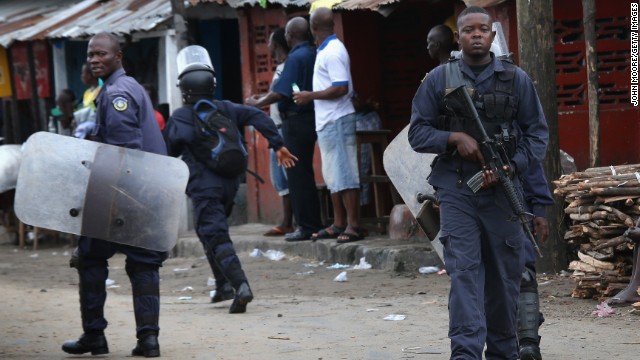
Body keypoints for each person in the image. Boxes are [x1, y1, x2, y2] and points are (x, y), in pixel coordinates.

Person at [408, 6, 549, 359]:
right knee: (465, 273)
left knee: (505, 278)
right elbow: (417, 132)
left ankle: (504, 352)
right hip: (457, 189)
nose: (476, 35)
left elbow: (537, 136)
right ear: (459, 36)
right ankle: (466, 353)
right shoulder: (438, 80)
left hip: (503, 191)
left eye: (482, 29)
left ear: (492, 35)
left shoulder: (516, 80)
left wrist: (510, 168)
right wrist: (454, 138)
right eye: (468, 29)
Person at [165, 46, 297, 313]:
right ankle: (222, 285)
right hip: (230, 184)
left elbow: (168, 151)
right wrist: (277, 144)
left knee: (215, 234)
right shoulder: (227, 108)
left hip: (204, 187)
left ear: (184, 89)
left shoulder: (181, 117)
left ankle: (240, 286)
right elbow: (259, 115)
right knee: (208, 232)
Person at [61, 32, 168, 358]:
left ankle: (95, 336)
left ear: (117, 56)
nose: (94, 59)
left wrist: (113, 202)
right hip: (147, 189)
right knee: (143, 264)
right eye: (90, 54)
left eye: (101, 54)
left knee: (90, 258)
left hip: (121, 191)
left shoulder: (116, 93)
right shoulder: (131, 86)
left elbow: (124, 150)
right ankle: (148, 341)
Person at [245, 17, 323, 242]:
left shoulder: (295, 58)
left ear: (289, 36)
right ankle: (312, 223)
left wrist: (256, 103)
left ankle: (306, 226)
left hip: (296, 121)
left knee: (297, 175)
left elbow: (281, 92)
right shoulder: (311, 53)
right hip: (308, 118)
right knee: (304, 174)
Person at [294, 7, 365, 243]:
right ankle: (338, 223)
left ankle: (353, 225)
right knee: (333, 176)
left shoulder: (333, 51)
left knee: (345, 174)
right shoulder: (325, 49)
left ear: (314, 28)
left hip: (337, 118)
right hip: (327, 121)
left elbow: (341, 87)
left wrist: (309, 96)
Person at [259, 28, 294, 237]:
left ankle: (288, 222)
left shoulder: (286, 68)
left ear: (277, 44)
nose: (268, 46)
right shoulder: (280, 68)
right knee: (280, 179)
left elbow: (280, 95)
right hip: (276, 129)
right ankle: (288, 221)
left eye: (270, 41)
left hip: (281, 130)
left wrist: (258, 102)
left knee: (285, 177)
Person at [519, 163, 554, 360]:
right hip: (468, 206)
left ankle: (528, 344)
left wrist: (539, 210)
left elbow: (530, 161)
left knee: (523, 273)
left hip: (514, 204)